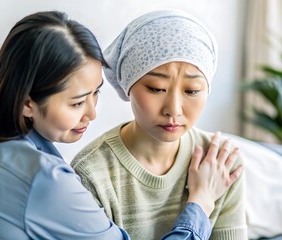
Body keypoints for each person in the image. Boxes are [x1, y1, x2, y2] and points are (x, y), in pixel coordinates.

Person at [0, 10, 242, 240]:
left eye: (96, 92)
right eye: (77, 102)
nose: (92, 114)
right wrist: (201, 201)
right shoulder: (46, 180)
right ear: (27, 102)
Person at [71, 9, 247, 240]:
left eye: (192, 91)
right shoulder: (91, 175)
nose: (173, 109)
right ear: (128, 85)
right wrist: (201, 201)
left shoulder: (221, 162)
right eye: (156, 88)